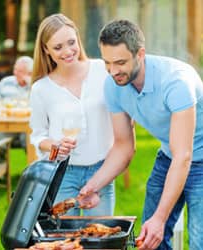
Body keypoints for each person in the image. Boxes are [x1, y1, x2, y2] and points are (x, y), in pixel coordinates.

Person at [78, 19, 203, 249]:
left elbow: (183, 156)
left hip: (194, 158)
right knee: (149, 240)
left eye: (120, 62)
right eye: (107, 63)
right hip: (170, 156)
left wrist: (161, 218)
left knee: (199, 241)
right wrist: (92, 186)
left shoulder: (176, 83)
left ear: (140, 54)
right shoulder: (113, 85)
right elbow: (123, 146)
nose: (113, 71)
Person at [29, 13, 115, 216]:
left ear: (78, 38)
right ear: (46, 50)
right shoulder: (41, 89)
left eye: (71, 43)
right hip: (63, 173)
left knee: (101, 242)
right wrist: (55, 145)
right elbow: (38, 136)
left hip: (101, 170)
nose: (68, 52)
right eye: (58, 47)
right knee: (65, 241)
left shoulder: (102, 71)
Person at [0, 55, 33, 148]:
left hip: (28, 127)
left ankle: (34, 162)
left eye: (20, 71)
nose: (15, 73)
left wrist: (31, 84)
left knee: (30, 138)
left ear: (30, 72)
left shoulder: (36, 85)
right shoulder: (6, 82)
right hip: (7, 127)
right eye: (15, 69)